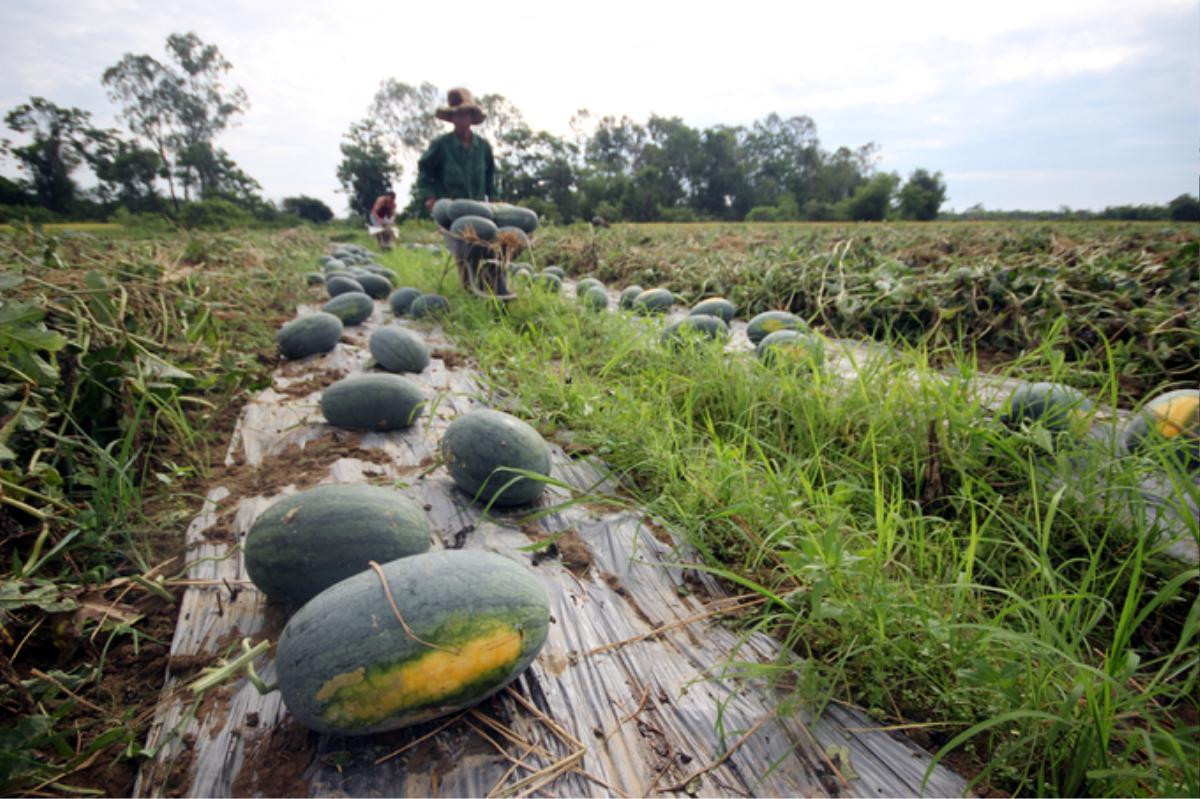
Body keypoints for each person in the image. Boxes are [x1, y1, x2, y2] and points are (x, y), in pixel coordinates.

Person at [416, 88, 496, 214]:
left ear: (471, 117)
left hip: (479, 209)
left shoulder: (483, 147)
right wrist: (430, 197)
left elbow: (491, 178)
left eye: (465, 114)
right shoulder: (440, 145)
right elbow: (424, 170)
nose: (462, 119)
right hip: (450, 210)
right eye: (457, 114)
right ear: (452, 118)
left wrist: (494, 200)